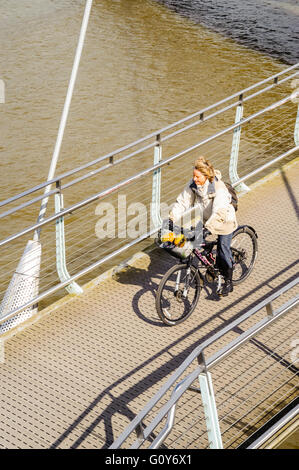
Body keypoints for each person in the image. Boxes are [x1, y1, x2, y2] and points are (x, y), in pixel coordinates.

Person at [168, 156, 238, 296]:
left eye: (197, 176)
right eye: (193, 175)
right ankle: (199, 273)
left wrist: (208, 229)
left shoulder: (219, 188)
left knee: (223, 250)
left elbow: (219, 212)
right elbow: (182, 202)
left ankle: (228, 281)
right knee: (190, 243)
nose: (194, 179)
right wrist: (172, 219)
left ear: (206, 176)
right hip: (204, 218)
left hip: (223, 220)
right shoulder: (193, 185)